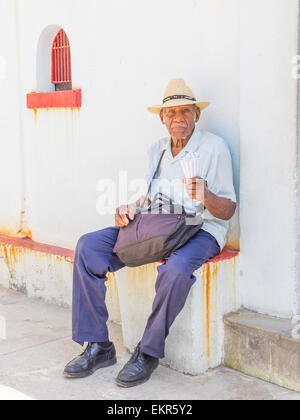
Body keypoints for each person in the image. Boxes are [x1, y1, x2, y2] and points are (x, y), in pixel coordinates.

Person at [63, 79, 237, 388]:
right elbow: (147, 197)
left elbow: (227, 210)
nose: (178, 119)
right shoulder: (156, 150)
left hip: (201, 229)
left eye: (185, 111)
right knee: (89, 247)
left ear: (197, 114)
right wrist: (128, 208)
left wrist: (206, 195)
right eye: (171, 113)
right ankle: (98, 346)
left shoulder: (214, 148)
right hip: (158, 224)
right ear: (162, 118)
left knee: (177, 270)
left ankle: (148, 352)